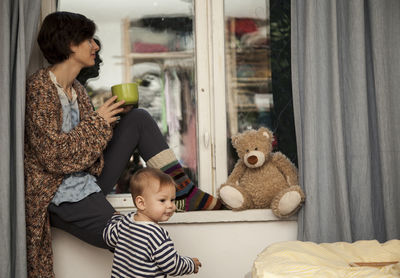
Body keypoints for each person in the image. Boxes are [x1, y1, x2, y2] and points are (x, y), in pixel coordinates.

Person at [24, 11, 221, 278]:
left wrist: (114, 122)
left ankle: (183, 190)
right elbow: (53, 156)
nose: (96, 46)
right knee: (130, 235)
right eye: (89, 39)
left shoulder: (78, 90)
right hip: (59, 191)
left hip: (87, 178)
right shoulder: (39, 87)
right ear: (70, 44)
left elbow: (86, 145)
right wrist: (99, 122)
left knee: (137, 118)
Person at [103, 168, 202, 277]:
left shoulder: (125, 221)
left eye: (172, 200)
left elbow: (109, 237)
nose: (170, 205)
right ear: (141, 203)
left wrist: (115, 218)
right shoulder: (156, 235)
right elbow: (172, 266)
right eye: (162, 200)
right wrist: (191, 264)